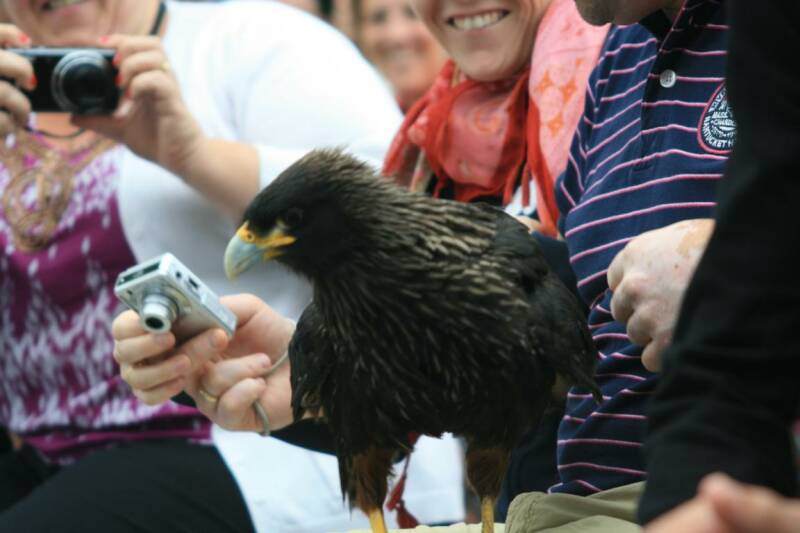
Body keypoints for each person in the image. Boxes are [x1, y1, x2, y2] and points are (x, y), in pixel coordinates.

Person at [0, 1, 464, 531]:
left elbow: (406, 207)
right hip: (45, 452)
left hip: (249, 443)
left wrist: (193, 155)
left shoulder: (251, 41)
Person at [351, 0, 446, 112]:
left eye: (413, 13)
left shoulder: (469, 122)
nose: (397, 35)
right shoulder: (362, 117)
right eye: (379, 18)